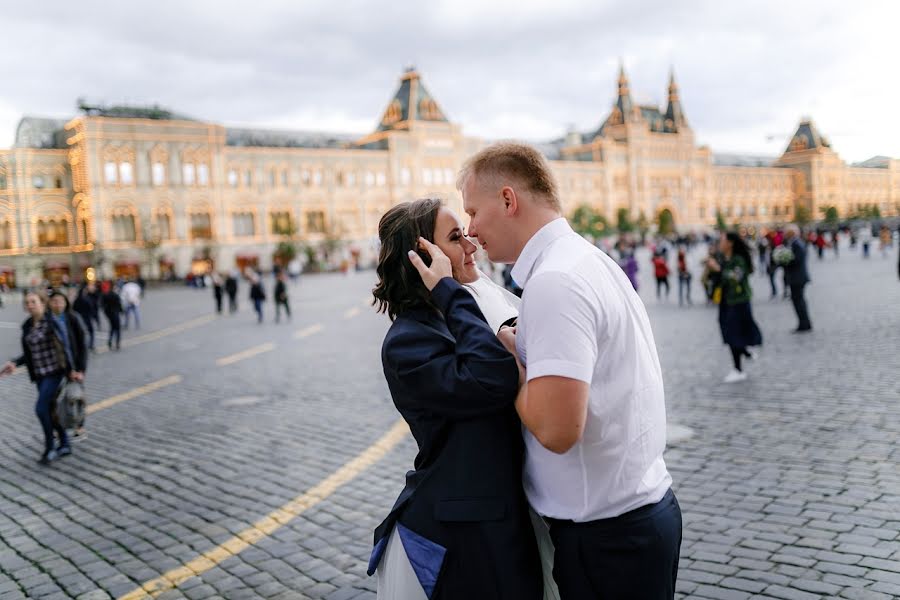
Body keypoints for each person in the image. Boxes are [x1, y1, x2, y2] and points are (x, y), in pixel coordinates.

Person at [459, 142, 681, 599]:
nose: (471, 229)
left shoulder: (555, 281)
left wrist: (514, 366)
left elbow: (558, 429)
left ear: (507, 200)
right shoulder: (583, 258)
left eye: (473, 211)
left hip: (604, 536)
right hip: (631, 517)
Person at [368, 198, 543, 600]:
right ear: (423, 258)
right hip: (453, 538)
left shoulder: (453, 318)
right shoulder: (408, 341)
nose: (471, 245)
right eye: (454, 237)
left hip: (495, 523)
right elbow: (494, 380)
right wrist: (448, 289)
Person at [1, 290, 87, 464]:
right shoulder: (28, 325)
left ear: (42, 303)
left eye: (33, 302)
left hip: (55, 373)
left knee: (41, 409)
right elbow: (30, 353)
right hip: (39, 374)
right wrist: (15, 363)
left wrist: (74, 369)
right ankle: (64, 444)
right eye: (27, 303)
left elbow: (66, 347)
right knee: (50, 411)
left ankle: (50, 447)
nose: (30, 305)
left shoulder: (52, 323)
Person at [706, 233, 763, 383]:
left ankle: (738, 369)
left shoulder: (738, 259)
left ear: (730, 243)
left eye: (722, 240)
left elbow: (736, 277)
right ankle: (745, 353)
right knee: (730, 331)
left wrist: (718, 269)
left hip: (738, 301)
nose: (720, 242)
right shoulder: (726, 257)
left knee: (734, 333)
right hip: (727, 300)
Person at [783, 225, 812, 332]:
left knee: (798, 301)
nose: (784, 234)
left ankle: (804, 324)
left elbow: (796, 260)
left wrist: (785, 261)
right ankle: (804, 323)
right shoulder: (794, 243)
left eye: (786, 232)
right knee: (798, 301)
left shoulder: (796, 244)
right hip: (797, 277)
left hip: (798, 277)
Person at [73, 284, 97, 352]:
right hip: (86, 317)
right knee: (90, 332)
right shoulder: (86, 299)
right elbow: (91, 307)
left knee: (83, 332)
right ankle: (90, 345)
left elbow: (74, 308)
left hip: (81, 317)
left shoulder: (77, 299)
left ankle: (86, 345)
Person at [102, 284, 123, 350]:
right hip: (115, 314)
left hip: (109, 314)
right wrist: (121, 311)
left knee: (112, 328)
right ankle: (117, 343)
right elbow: (119, 305)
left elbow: (103, 304)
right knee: (117, 329)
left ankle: (110, 341)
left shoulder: (106, 295)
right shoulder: (116, 296)